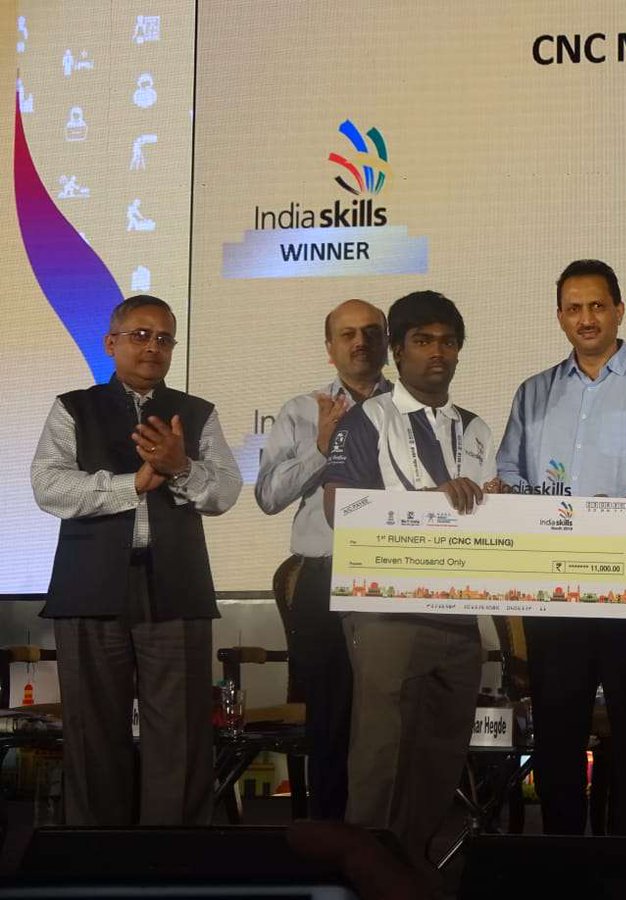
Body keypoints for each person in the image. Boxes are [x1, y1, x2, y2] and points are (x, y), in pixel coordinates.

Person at [496, 259, 626, 837]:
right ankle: (564, 858)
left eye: (597, 306)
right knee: (557, 735)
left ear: (618, 310)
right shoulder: (533, 393)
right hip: (554, 589)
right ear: (559, 316)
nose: (586, 318)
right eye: (573, 308)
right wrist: (517, 499)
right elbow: (510, 471)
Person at [30, 294, 242, 826]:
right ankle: (98, 857)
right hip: (89, 586)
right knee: (92, 733)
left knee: (181, 736)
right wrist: (135, 484)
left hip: (176, 585)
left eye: (164, 338)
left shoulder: (196, 412)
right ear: (111, 343)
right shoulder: (74, 407)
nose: (153, 347)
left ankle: (174, 858)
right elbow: (48, 486)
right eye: (140, 335)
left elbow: (225, 492)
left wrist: (181, 467)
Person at [322, 291, 494, 889]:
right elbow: (339, 510)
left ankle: (411, 873)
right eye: (422, 341)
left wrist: (499, 504)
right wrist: (431, 506)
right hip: (386, 612)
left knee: (440, 757)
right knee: (380, 759)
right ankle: (363, 878)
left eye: (448, 341)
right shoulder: (366, 419)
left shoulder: (476, 428)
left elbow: (489, 517)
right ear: (396, 351)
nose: (436, 352)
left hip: (460, 613)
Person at [255, 298, 390, 820]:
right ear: (330, 348)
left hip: (394, 573)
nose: (360, 342)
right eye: (347, 334)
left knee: (388, 715)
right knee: (330, 718)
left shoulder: (410, 407)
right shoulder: (300, 410)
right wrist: (321, 447)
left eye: (371, 332)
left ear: (387, 342)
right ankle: (329, 832)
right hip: (325, 576)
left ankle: (385, 833)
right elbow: (268, 497)